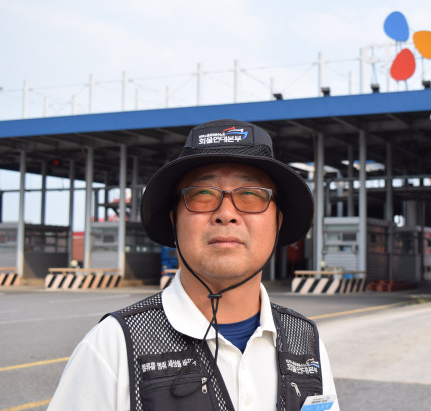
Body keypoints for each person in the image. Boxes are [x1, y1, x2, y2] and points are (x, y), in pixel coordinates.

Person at [48, 119, 339, 411]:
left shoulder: (307, 343)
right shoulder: (112, 346)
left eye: (251, 194)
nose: (226, 213)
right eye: (202, 194)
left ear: (277, 222)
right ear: (174, 222)